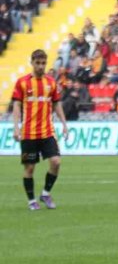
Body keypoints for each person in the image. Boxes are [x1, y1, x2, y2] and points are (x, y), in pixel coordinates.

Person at [10, 49, 68, 211]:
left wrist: (64, 124)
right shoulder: (22, 82)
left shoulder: (51, 83)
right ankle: (31, 201)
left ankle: (45, 194)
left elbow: (57, 104)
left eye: (43, 63)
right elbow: (16, 106)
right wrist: (16, 127)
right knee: (29, 168)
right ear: (32, 63)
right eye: (38, 63)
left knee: (56, 162)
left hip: (47, 132)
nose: (41, 66)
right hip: (28, 133)